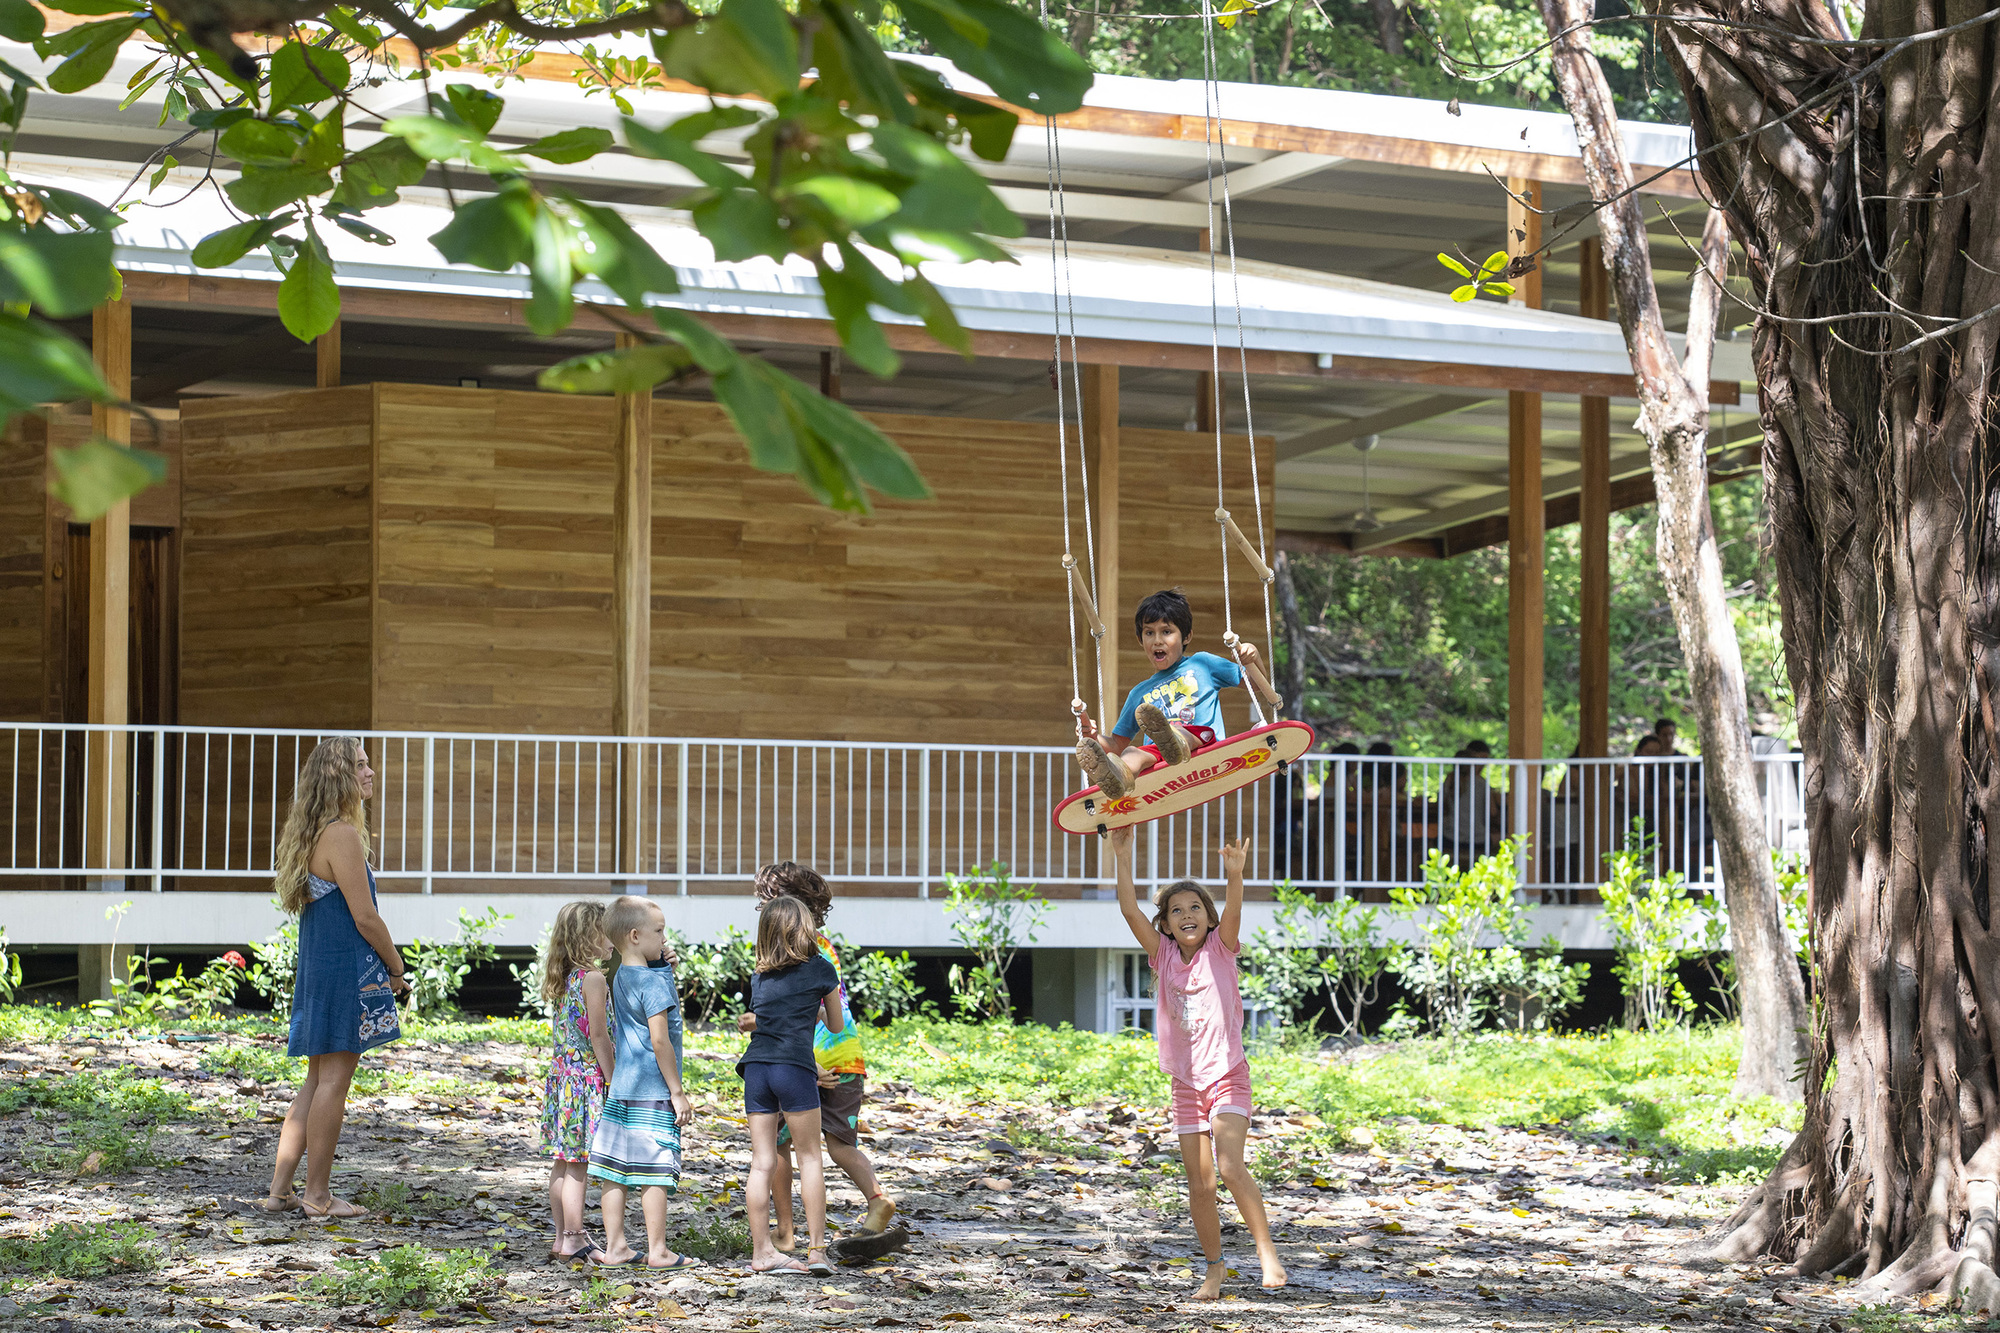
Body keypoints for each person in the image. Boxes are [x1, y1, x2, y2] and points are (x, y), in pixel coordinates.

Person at [1107, 826, 1286, 1300]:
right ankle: (1215, 1267)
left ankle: (1266, 1250)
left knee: (1229, 1166)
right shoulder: (1162, 953)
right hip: (1186, 1084)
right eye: (1176, 910)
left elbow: (1234, 910)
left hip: (1228, 1075)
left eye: (1195, 908)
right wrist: (1122, 856)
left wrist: (1234, 876)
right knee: (1201, 1185)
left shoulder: (1221, 948)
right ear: (1165, 923)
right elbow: (1128, 908)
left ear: (1207, 918)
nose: (1187, 915)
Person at [262, 737, 409, 1220]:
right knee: (333, 1084)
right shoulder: (342, 834)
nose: (371, 772)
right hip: (344, 970)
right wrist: (396, 966)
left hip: (320, 969)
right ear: (338, 776)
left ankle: (281, 1189)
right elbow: (365, 917)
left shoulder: (317, 831)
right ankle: (318, 1196)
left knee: (314, 1082)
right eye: (361, 765)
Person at [746, 862, 897, 1251]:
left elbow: (797, 1016)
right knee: (841, 1144)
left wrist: (813, 1066)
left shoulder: (789, 952)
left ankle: (785, 1231)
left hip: (807, 1060)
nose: (761, 909)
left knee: (780, 1144)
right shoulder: (821, 949)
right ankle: (878, 1201)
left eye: (765, 901)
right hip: (845, 1057)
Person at [588, 895, 698, 1270]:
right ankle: (658, 1250)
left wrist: (663, 966)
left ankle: (615, 1246)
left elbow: (648, 988)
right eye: (659, 931)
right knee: (655, 1170)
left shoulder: (621, 975)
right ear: (635, 935)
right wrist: (677, 1092)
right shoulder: (652, 984)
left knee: (614, 1169)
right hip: (654, 1089)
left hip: (623, 1087)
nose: (665, 939)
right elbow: (660, 1039)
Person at [739, 895, 846, 1276]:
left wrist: (804, 1010)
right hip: (794, 1069)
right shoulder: (821, 969)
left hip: (756, 1069)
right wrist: (818, 1008)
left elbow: (770, 1018)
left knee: (762, 1162)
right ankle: (816, 1251)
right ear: (805, 930)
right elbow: (836, 1025)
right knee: (811, 1158)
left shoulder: (760, 974)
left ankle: (762, 1252)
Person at [1075, 588, 1262, 799]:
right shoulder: (1139, 693)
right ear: (1140, 639)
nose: (1157, 640)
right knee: (1131, 754)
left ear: (1186, 636)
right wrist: (1092, 736)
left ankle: (1174, 741)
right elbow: (1118, 745)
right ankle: (1117, 778)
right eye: (1149, 633)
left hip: (1203, 742)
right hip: (1161, 756)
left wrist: (1252, 657)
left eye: (1166, 631)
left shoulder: (1202, 663)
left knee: (1180, 732)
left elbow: (1255, 683)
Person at [538, 900, 615, 1263]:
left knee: (562, 1162)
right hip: (585, 1081)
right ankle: (574, 1236)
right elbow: (599, 1036)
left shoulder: (565, 978)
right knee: (579, 1163)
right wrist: (613, 1080)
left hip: (561, 1081)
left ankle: (560, 1237)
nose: (613, 939)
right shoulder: (594, 979)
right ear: (589, 937)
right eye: (607, 932)